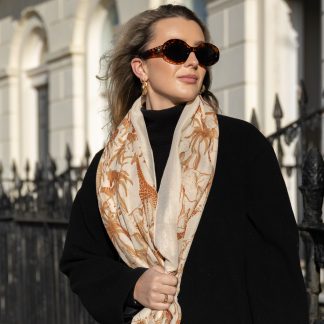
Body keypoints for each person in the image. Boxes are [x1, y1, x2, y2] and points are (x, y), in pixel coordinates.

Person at [60, 4, 309, 324]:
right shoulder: (110, 166)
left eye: (203, 53)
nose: (193, 61)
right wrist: (132, 285)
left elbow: (277, 268)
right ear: (141, 68)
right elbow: (82, 260)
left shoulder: (241, 146)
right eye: (176, 50)